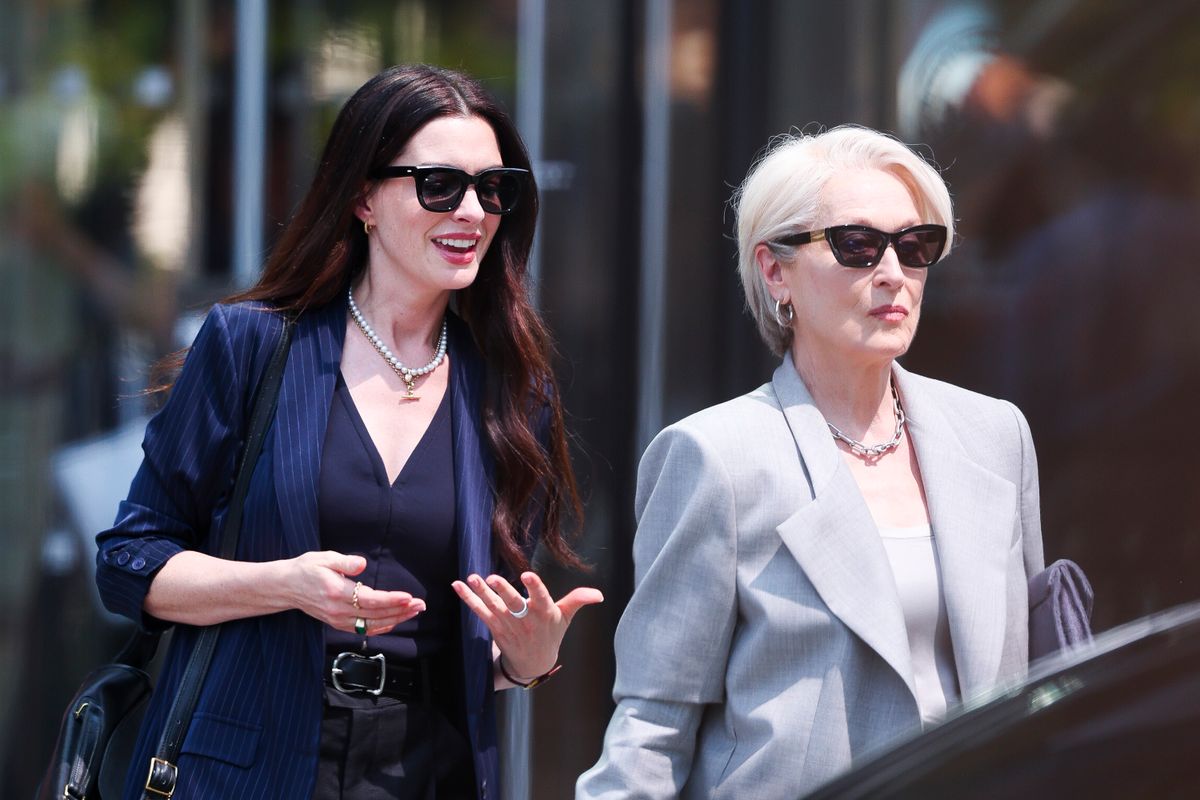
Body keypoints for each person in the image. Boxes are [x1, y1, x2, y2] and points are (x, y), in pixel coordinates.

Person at [95, 64, 602, 800]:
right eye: (439, 185)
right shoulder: (253, 345)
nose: (472, 211)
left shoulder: (512, 393)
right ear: (364, 198)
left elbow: (475, 653)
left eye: (492, 189)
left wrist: (528, 657)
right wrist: (282, 585)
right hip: (243, 768)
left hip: (425, 773)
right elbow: (129, 560)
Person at [577, 125, 1044, 798]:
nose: (893, 273)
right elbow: (654, 724)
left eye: (915, 246)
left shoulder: (994, 436)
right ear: (775, 271)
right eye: (857, 245)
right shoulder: (716, 458)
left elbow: (1029, 687)